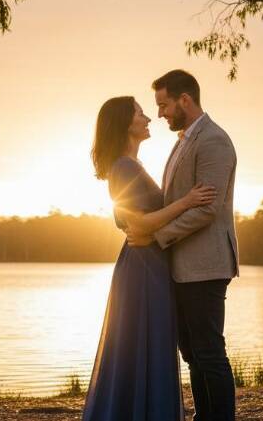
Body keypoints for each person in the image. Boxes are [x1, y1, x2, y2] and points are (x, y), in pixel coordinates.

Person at [84, 95, 217, 421]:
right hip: (143, 269)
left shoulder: (129, 165)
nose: (148, 118)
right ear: (126, 124)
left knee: (146, 345)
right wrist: (187, 201)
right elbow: (138, 223)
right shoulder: (124, 167)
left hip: (147, 263)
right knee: (147, 344)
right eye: (141, 113)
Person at [127, 70, 240, 421]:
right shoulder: (183, 141)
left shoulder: (213, 141)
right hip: (183, 266)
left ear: (184, 100)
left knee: (209, 352)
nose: (160, 113)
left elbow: (206, 209)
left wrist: (156, 237)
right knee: (192, 351)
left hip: (206, 265)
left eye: (163, 105)